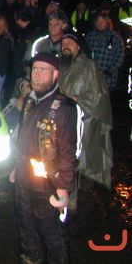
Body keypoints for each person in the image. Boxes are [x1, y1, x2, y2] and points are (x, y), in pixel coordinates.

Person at [13, 52, 79, 264]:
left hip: (47, 179)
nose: (37, 74)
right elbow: (22, 136)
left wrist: (63, 187)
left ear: (55, 74)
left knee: (52, 231)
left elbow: (69, 150)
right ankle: (31, 257)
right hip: (23, 172)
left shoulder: (64, 107)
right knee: (25, 223)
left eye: (44, 70)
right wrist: (16, 166)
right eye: (35, 69)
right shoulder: (29, 101)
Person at [59, 34, 112, 190]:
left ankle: (84, 178)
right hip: (63, 115)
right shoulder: (61, 65)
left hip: (84, 115)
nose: (65, 45)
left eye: (69, 42)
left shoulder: (90, 65)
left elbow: (99, 95)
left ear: (78, 46)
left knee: (83, 149)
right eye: (63, 43)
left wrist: (78, 99)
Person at [85, 14, 125, 90]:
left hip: (107, 78)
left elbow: (120, 55)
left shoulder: (114, 36)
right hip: (91, 76)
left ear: (107, 23)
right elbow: (84, 54)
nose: (100, 24)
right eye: (98, 22)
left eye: (102, 22)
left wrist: (110, 71)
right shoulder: (89, 36)